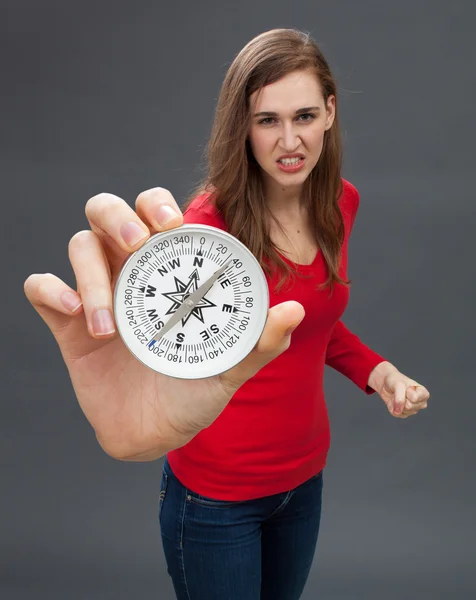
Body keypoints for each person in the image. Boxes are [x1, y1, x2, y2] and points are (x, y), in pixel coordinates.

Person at [24, 27, 430, 600]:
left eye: (305, 115)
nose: (290, 140)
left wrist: (376, 371)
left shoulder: (341, 201)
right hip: (216, 499)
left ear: (331, 112)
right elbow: (173, 346)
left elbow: (308, 319)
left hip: (304, 480)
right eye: (267, 120)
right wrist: (139, 343)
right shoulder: (207, 232)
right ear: (242, 125)